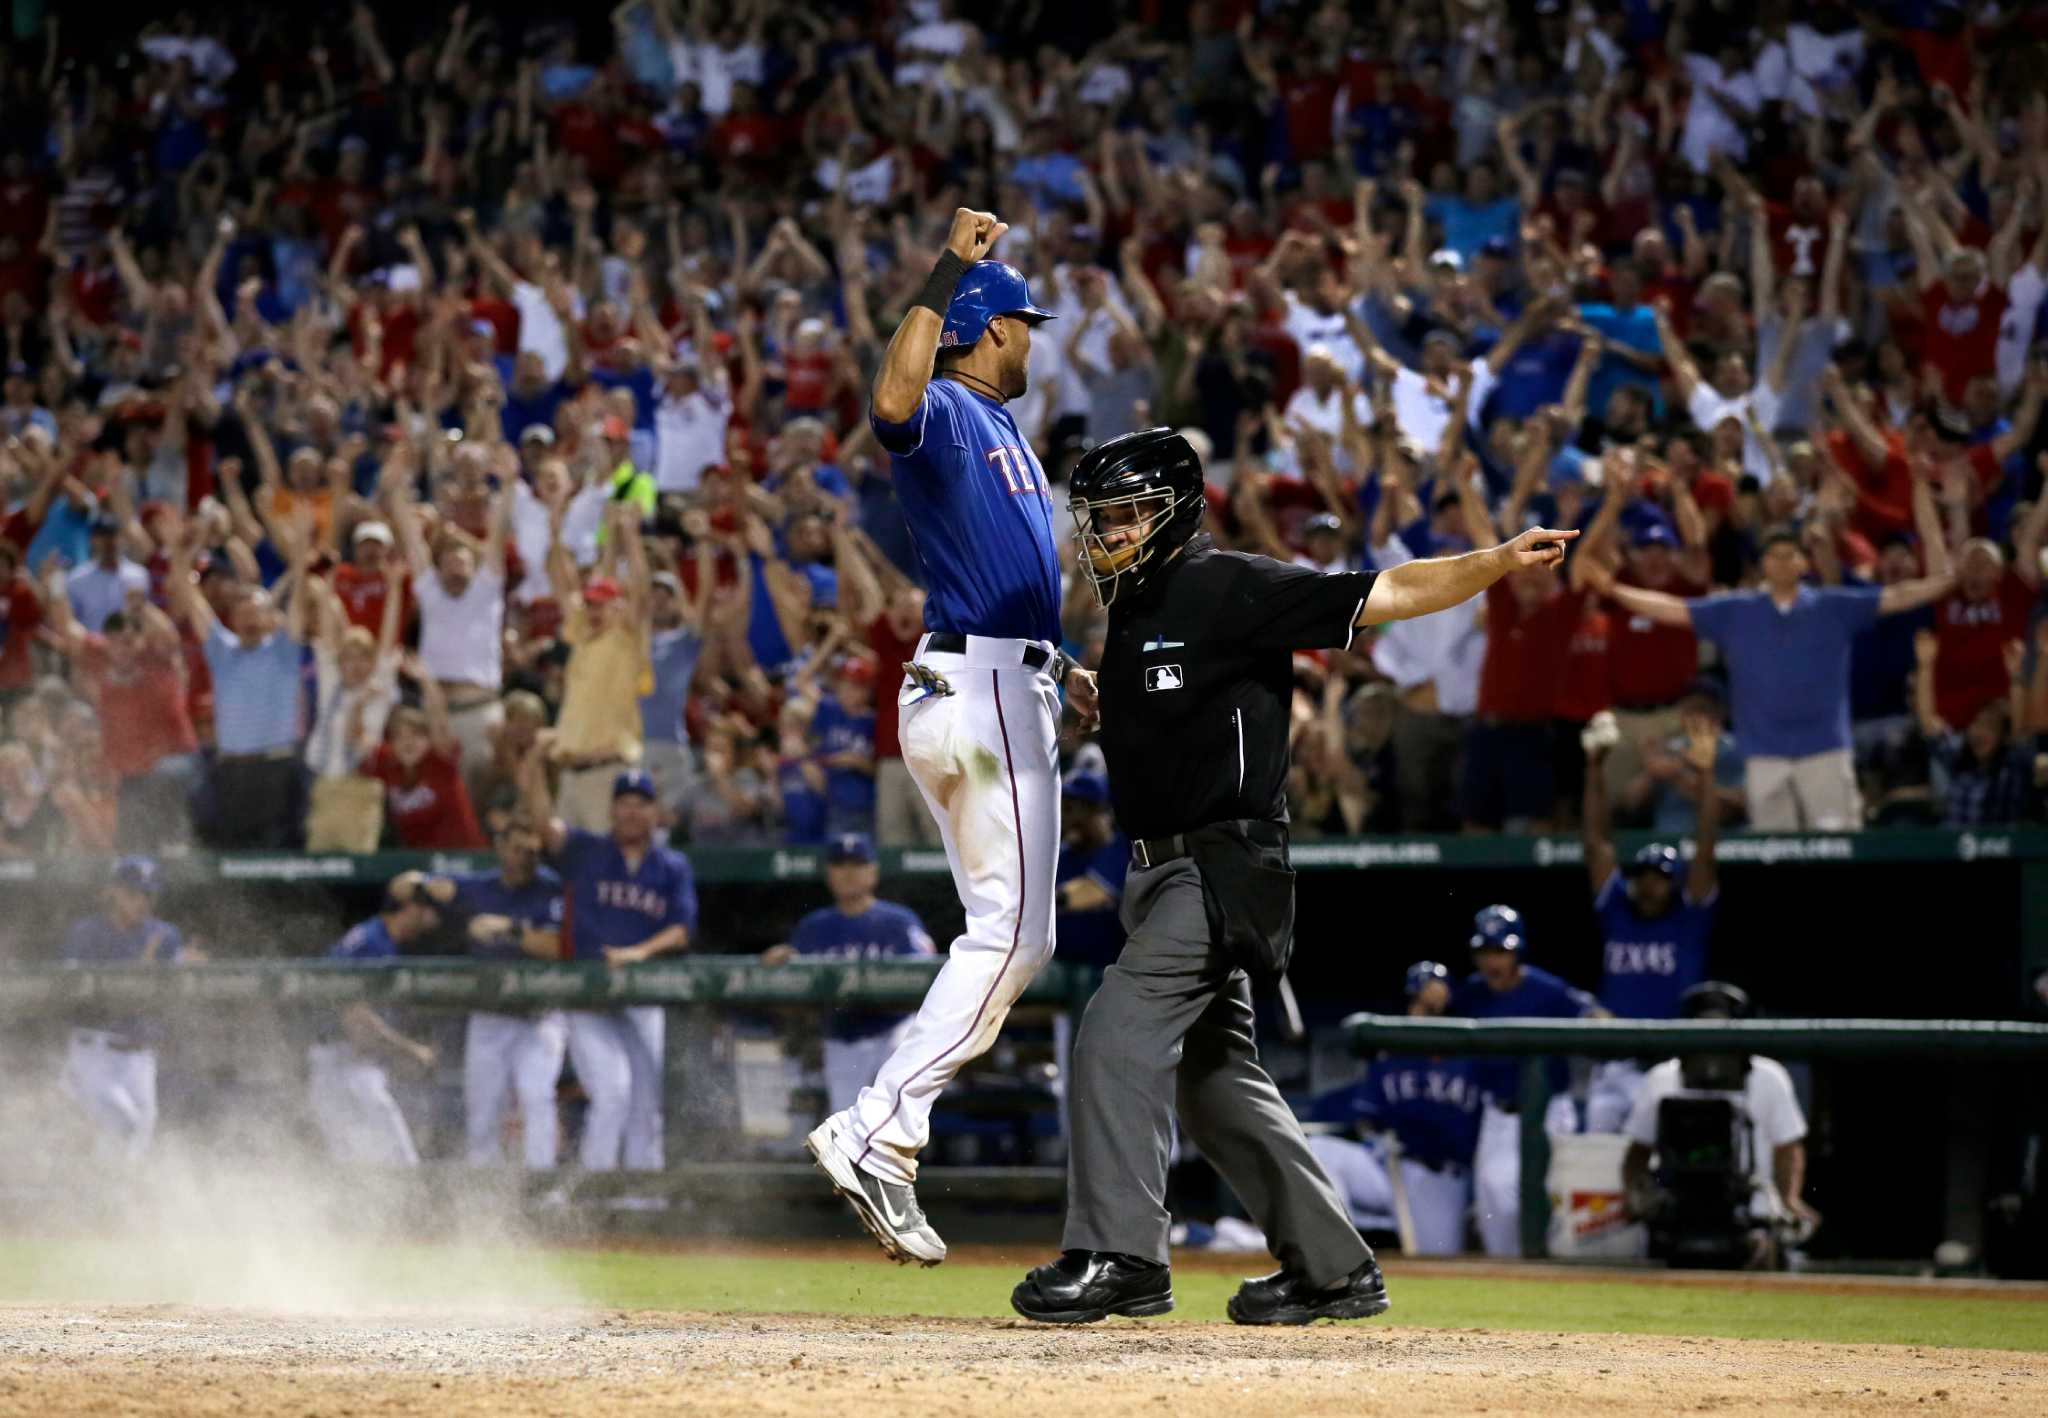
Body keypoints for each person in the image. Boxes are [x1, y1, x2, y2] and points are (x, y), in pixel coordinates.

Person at [1013, 426, 1575, 1325]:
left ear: (1174, 513)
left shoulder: (1229, 583)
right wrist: (1096, 693)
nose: (1105, 534)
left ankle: (1121, 1255)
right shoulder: (1135, 611)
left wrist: (1497, 559)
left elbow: (1386, 590)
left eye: (1124, 516)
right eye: (1099, 518)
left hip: (1220, 866)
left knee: (1115, 1035)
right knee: (1214, 1078)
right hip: (1159, 873)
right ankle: (1332, 1268)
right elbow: (1175, 726)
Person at [806, 207, 1100, 1268]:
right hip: (974, 691)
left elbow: (1002, 575)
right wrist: (944, 271)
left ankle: (882, 1128)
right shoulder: (936, 402)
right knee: (1016, 933)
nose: (1030, 334)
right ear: (982, 328)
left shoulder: (1003, 428)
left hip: (991, 681)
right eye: (1018, 320)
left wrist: (1057, 663)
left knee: (1006, 927)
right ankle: (879, 1128)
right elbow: (885, 399)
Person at [1582, 526, 1953, 829]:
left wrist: (1943, 583)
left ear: (1803, 562)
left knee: (1837, 847)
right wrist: (1614, 590)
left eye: (1790, 554)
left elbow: (1898, 597)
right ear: (1762, 565)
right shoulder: (1737, 610)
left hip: (1826, 748)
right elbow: (1673, 609)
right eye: (1773, 555)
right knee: (1774, 856)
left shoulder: (1833, 606)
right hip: (1764, 753)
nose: (1781, 562)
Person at [519, 758, 696, 1173]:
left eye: (642, 803)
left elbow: (682, 930)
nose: (633, 811)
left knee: (647, 1104)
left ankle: (643, 1201)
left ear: (655, 812)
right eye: (625, 802)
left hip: (643, 995)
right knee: (613, 1093)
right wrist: (531, 765)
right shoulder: (586, 850)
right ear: (612, 809)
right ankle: (598, 1198)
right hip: (589, 997)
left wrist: (639, 953)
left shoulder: (672, 866)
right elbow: (545, 826)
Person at [1581, 716, 1722, 1132]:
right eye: (1644, 876)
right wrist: (1594, 769)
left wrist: (1707, 774)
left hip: (1670, 1064)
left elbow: (1707, 849)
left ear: (1673, 882)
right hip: (1614, 1065)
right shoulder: (1617, 911)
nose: (1650, 885)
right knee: (1598, 1165)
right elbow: (1595, 843)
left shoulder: (1689, 918)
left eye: (1660, 877)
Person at [1623, 981, 1821, 1269]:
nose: (1711, 1041)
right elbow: (1637, 1153)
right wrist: (1637, 1193)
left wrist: (1789, 1199)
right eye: (1702, 1029)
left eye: (1720, 1029)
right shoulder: (1662, 1078)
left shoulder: (1768, 1076)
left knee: (1762, 1246)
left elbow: (1788, 1147)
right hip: (1680, 1202)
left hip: (1748, 1202)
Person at [1452, 905, 1606, 1258]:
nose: (1492, 961)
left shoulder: (1546, 989)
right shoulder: (1472, 993)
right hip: (1499, 1114)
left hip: (1549, 1111)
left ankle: (1548, 1279)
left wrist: (1597, 1018)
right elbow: (1442, 1008)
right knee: (1494, 1206)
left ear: (1517, 951)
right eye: (1485, 952)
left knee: (1546, 1203)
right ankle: (1508, 1287)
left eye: (1501, 952)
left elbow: (1593, 1013)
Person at [1301, 961, 1479, 1255]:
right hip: (1391, 1170)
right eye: (1416, 1003)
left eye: (1431, 1006)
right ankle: (1340, 1253)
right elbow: (1366, 1119)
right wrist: (1375, 1139)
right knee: (1321, 1150)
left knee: (1436, 1261)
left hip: (1441, 1179)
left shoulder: (1470, 1054)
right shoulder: (1391, 1055)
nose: (1420, 1012)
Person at [765, 833, 936, 1115]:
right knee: (844, 1127)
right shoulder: (814, 927)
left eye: (857, 864)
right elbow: (792, 990)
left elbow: (927, 981)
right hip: (841, 1036)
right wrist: (783, 961)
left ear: (873, 872)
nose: (848, 873)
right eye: (840, 865)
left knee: (894, 1112)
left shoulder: (899, 922)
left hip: (892, 1029)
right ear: (829, 874)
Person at [308, 872, 451, 1166]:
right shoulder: (374, 943)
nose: (432, 918)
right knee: (397, 1158)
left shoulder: (375, 935)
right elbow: (357, 1021)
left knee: (357, 1163)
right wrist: (412, 1050)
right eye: (427, 908)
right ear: (409, 908)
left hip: (340, 1062)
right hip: (342, 1064)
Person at [452, 813, 569, 1169]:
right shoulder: (480, 886)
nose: (523, 859)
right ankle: (485, 1201)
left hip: (540, 1016)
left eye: (532, 852)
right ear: (500, 848)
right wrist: (426, 886)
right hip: (490, 1017)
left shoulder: (555, 888)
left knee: (537, 1097)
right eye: (516, 850)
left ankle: (542, 1192)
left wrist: (508, 928)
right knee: (482, 1111)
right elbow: (410, 889)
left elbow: (559, 947)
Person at [59, 857, 196, 1160]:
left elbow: (170, 993)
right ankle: (101, 1195)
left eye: (148, 895)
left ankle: (109, 1202)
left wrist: (187, 969)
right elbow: (75, 991)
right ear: (113, 892)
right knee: (123, 1124)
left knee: (137, 1141)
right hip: (95, 1052)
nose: (142, 902)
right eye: (133, 894)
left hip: (141, 1055)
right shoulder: (86, 932)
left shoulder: (165, 934)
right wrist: (140, 970)